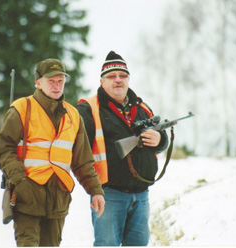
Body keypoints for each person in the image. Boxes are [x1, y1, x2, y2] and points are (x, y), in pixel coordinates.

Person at [0, 58, 105, 247]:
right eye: (51, 80)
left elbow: (83, 162)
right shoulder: (21, 109)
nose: (56, 85)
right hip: (27, 198)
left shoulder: (73, 116)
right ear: (38, 82)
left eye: (60, 81)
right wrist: (21, 181)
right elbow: (4, 151)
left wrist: (95, 191)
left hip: (58, 200)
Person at [76, 51, 169, 246]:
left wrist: (159, 138)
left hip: (141, 194)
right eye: (111, 76)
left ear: (128, 79)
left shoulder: (142, 107)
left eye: (123, 75)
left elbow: (162, 141)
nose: (118, 80)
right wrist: (94, 190)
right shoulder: (89, 109)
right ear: (102, 82)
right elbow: (77, 150)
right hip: (109, 194)